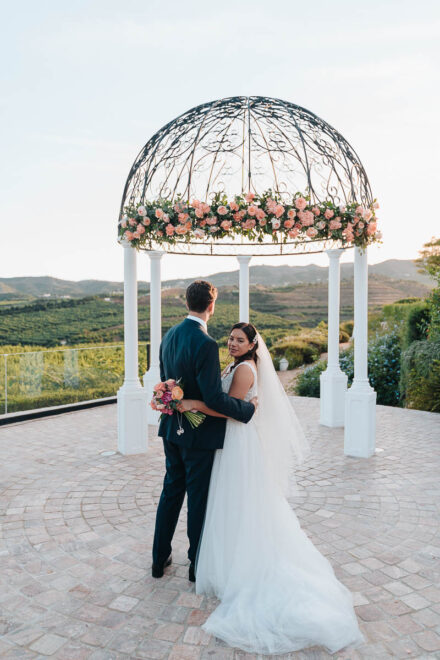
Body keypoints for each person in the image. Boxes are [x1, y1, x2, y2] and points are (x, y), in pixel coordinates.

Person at [177, 322, 366, 655]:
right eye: (231, 339)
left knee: (238, 501)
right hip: (231, 443)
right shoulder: (236, 365)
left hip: (236, 442)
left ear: (252, 345)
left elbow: (226, 409)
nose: (232, 343)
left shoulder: (245, 370)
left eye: (239, 340)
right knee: (232, 503)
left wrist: (192, 403)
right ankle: (228, 558)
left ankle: (241, 564)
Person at [151, 281, 257, 583]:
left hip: (171, 426)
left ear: (187, 303)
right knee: (197, 497)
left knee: (171, 491)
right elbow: (212, 398)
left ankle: (159, 560)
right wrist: (248, 410)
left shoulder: (169, 335)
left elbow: (166, 381)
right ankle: (196, 564)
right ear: (212, 306)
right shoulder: (206, 343)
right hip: (198, 435)